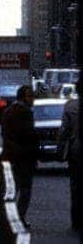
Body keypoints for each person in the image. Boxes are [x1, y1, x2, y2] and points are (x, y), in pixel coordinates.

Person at [0, 84, 38, 226]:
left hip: (9, 154)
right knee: (25, 189)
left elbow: (4, 133)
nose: (33, 99)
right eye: (30, 96)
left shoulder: (8, 110)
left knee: (11, 188)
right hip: (23, 157)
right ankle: (17, 217)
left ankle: (6, 217)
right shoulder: (25, 112)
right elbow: (28, 135)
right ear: (24, 97)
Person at [58, 80, 80, 231]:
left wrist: (60, 150)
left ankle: (77, 220)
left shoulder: (71, 106)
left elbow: (64, 131)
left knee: (76, 187)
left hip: (76, 149)